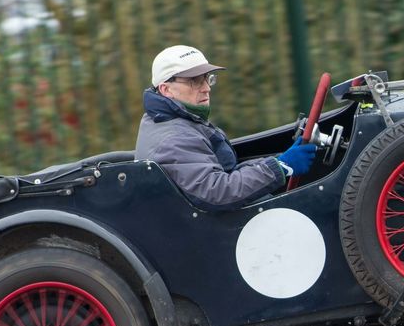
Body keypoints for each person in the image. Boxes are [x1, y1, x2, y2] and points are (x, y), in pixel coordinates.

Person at [135, 45, 316, 209]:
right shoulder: (175, 138)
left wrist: (277, 162)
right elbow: (217, 192)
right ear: (166, 90)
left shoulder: (175, 121)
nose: (206, 88)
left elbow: (228, 172)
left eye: (207, 79)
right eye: (194, 81)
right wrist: (280, 167)